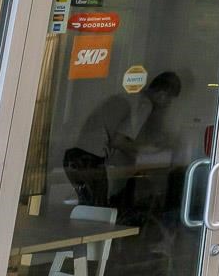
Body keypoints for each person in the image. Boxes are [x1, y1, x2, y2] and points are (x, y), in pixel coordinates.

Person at [64, 71, 183, 208]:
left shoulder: (130, 97)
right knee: (97, 209)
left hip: (74, 157)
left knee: (90, 207)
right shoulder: (144, 104)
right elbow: (118, 142)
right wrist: (148, 152)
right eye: (169, 99)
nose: (168, 104)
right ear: (162, 93)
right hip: (88, 159)